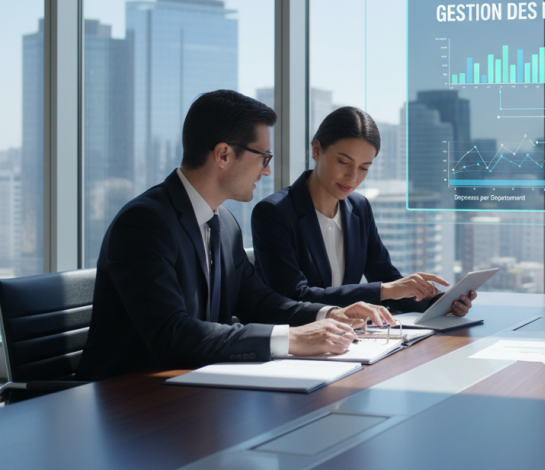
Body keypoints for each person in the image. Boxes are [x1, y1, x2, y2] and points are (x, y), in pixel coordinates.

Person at [78, 90, 395, 381]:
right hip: (127, 399)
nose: (267, 171)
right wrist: (292, 339)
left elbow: (258, 302)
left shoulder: (225, 223)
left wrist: (329, 314)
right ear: (223, 155)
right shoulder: (145, 223)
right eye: (263, 157)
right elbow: (171, 334)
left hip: (195, 391)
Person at [252, 106, 475, 316]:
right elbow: (294, 296)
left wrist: (442, 304)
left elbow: (386, 278)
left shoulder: (359, 208)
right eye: (343, 162)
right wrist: (384, 290)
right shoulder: (274, 213)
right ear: (317, 150)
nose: (353, 177)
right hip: (297, 341)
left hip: (349, 338)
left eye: (364, 168)